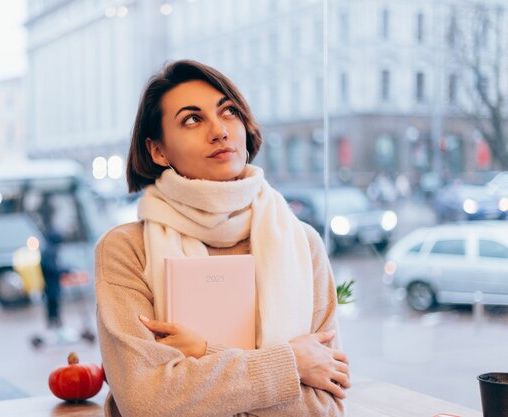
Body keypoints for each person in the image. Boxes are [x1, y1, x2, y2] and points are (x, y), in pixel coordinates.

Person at [95, 60, 350, 417]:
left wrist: (203, 354)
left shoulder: (302, 244)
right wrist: (292, 364)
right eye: (192, 119)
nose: (219, 131)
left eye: (228, 112)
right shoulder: (126, 250)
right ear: (158, 151)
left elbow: (324, 405)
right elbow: (147, 400)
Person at [40, 229, 69, 328]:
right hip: (51, 282)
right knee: (53, 302)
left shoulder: (48, 249)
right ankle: (56, 323)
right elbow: (52, 267)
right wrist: (64, 271)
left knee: (51, 303)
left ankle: (53, 323)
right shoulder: (51, 251)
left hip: (48, 282)